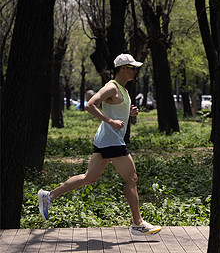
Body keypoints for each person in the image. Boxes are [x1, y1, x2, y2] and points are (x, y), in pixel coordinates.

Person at [38, 53, 162, 236]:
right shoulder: (111, 87)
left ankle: (49, 196)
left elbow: (116, 109)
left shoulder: (123, 90)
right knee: (132, 178)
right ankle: (138, 224)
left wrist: (129, 113)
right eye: (132, 68)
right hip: (112, 141)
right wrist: (111, 121)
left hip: (105, 140)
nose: (135, 71)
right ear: (123, 68)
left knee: (89, 178)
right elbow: (90, 105)